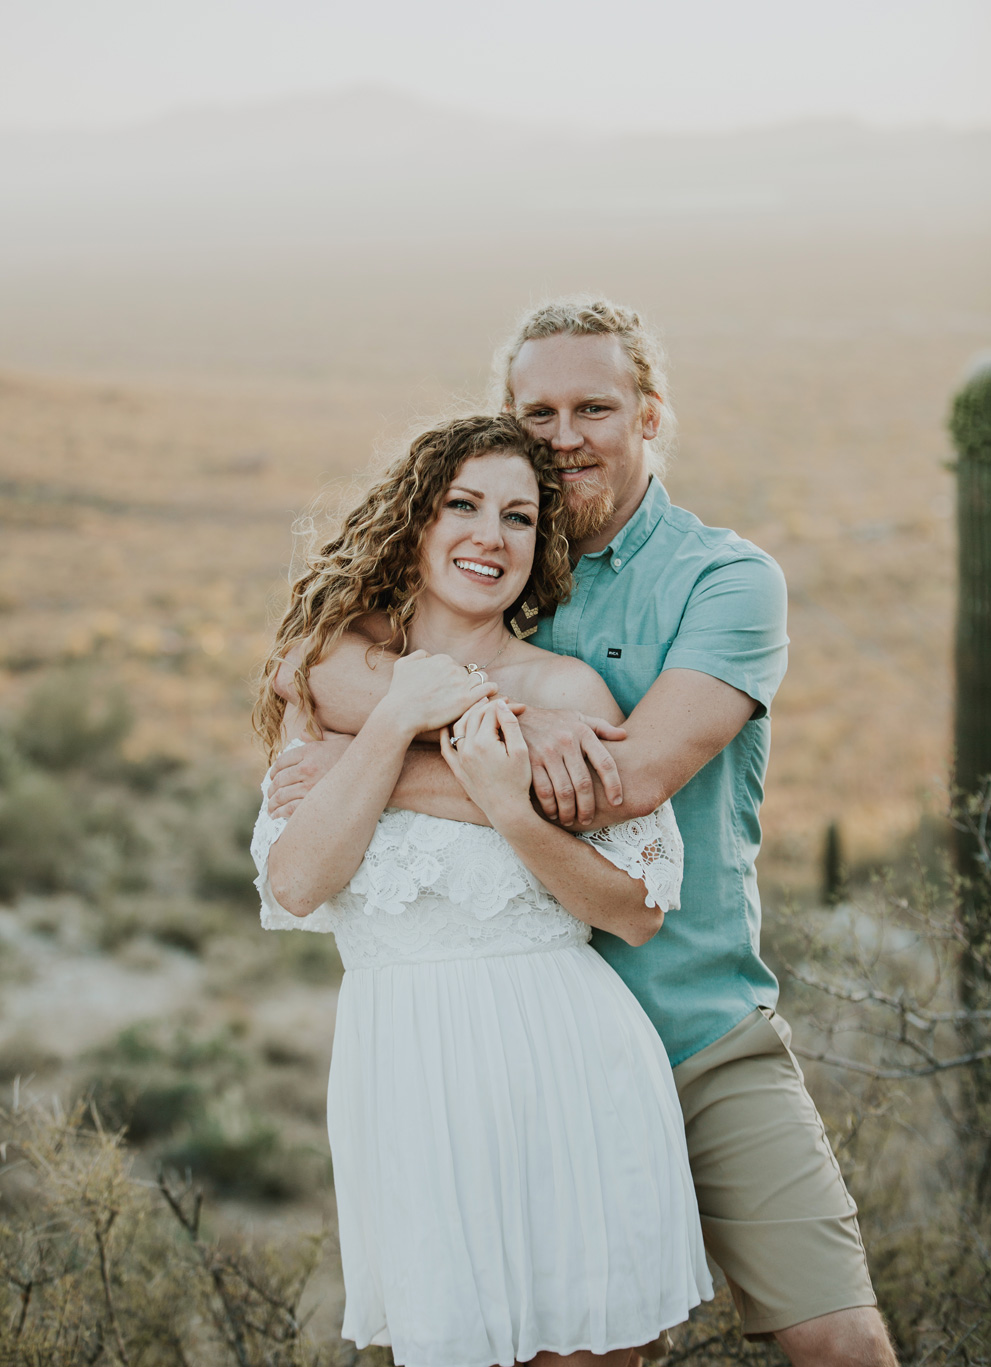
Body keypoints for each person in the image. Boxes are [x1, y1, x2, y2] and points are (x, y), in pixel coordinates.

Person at [268, 299, 898, 1367]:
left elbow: (631, 777)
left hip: (691, 1024)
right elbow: (310, 663)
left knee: (835, 1337)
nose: (566, 436)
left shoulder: (723, 579)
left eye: (594, 406)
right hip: (485, 1054)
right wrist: (402, 730)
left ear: (650, 413)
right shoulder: (490, 570)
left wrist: (366, 766)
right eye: (539, 410)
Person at [251, 414, 713, 1367]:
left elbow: (634, 907)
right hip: (408, 1082)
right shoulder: (333, 684)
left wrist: (509, 808)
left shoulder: (572, 693)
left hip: (567, 1066)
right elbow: (297, 882)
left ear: (540, 542)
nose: (488, 536)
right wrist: (393, 724)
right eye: (461, 505)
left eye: (517, 515)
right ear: (414, 523)